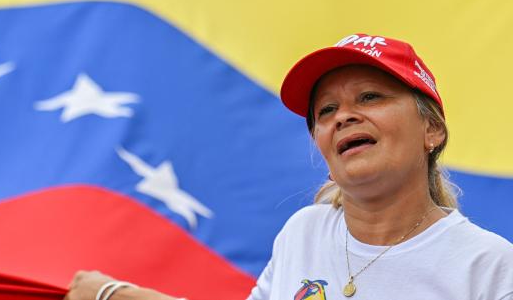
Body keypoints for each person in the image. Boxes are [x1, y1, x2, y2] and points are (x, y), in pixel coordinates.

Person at [65, 34, 513, 300]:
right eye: (326, 111)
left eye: (370, 97)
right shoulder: (306, 231)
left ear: (431, 130)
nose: (344, 116)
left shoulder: (490, 268)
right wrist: (115, 294)